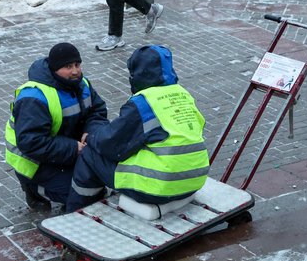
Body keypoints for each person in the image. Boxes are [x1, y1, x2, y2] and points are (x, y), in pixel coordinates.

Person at [66, 45, 209, 212]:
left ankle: (77, 211)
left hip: (161, 186)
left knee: (90, 154)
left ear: (139, 73)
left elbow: (112, 145)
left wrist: (91, 137)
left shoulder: (143, 103)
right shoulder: (183, 94)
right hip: (195, 180)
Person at [5, 43, 109, 211]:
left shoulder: (82, 84)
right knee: (81, 192)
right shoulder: (34, 98)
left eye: (77, 65)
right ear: (54, 69)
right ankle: (33, 187)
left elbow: (97, 111)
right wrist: (73, 148)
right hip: (35, 161)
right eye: (67, 67)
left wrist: (91, 132)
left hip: (68, 151)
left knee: (100, 182)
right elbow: (32, 142)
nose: (75, 71)